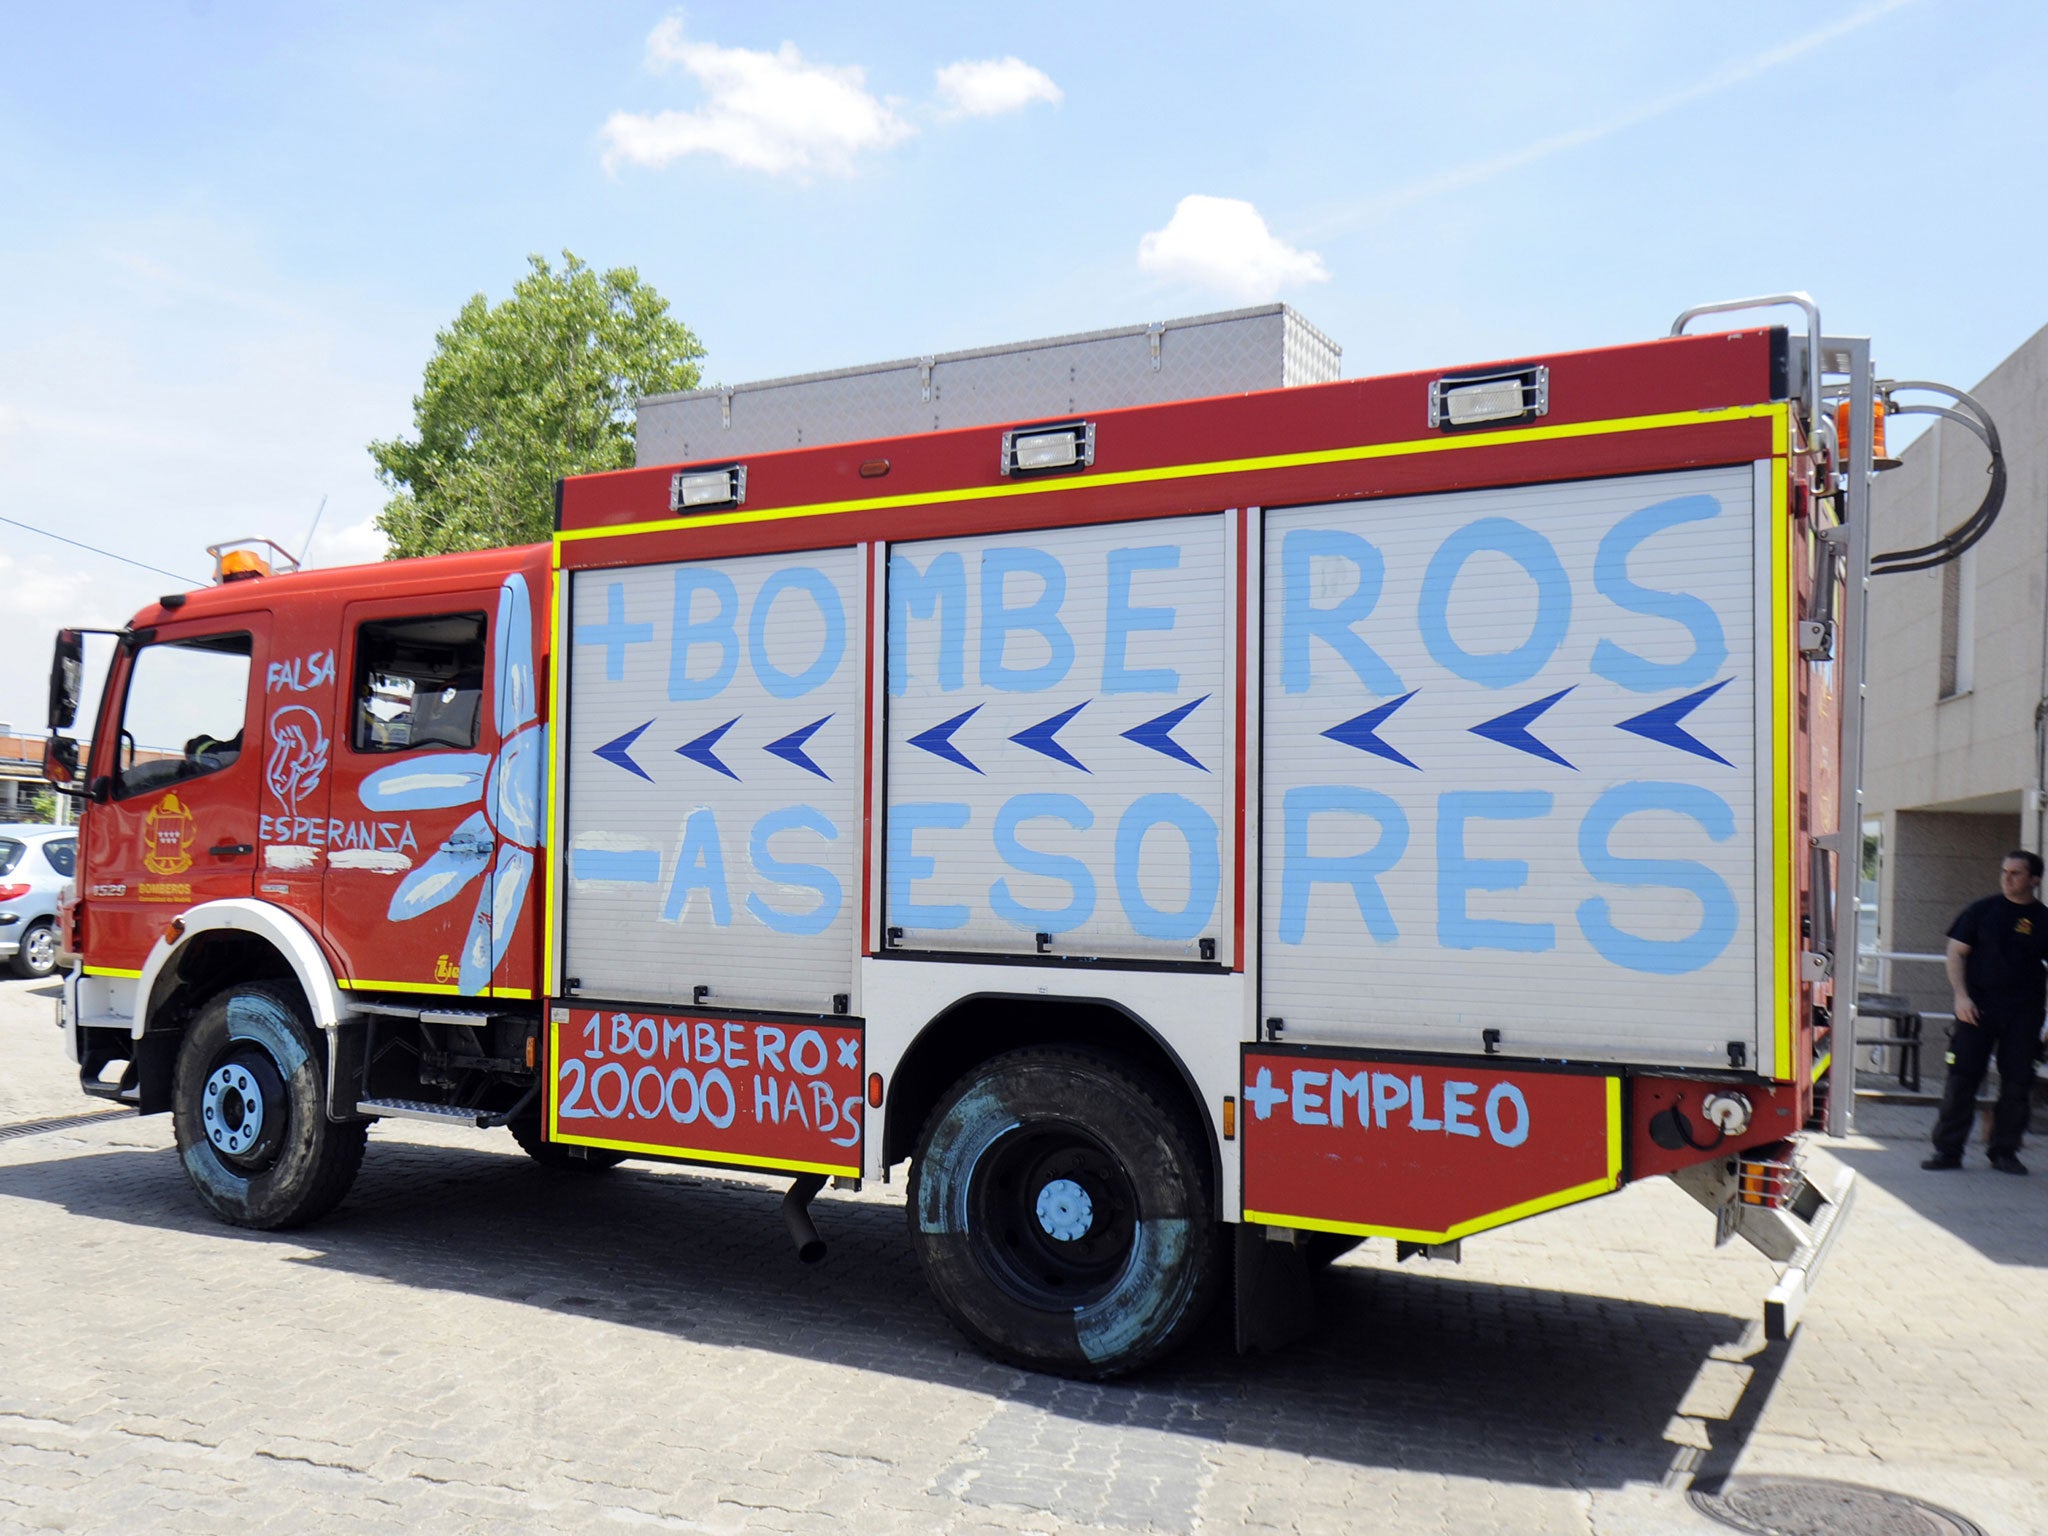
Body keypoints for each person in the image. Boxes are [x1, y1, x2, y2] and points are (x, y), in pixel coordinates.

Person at [1923, 850, 2048, 1173]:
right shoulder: (1982, 911)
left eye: (2016, 873)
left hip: (2024, 1014)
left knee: (2018, 1083)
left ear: (2034, 879)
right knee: (1962, 1079)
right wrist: (1961, 997)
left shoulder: (2043, 920)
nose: (2007, 878)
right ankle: (1948, 1151)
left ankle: (2004, 1152)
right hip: (1976, 1009)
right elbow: (1956, 952)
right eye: (2004, 871)